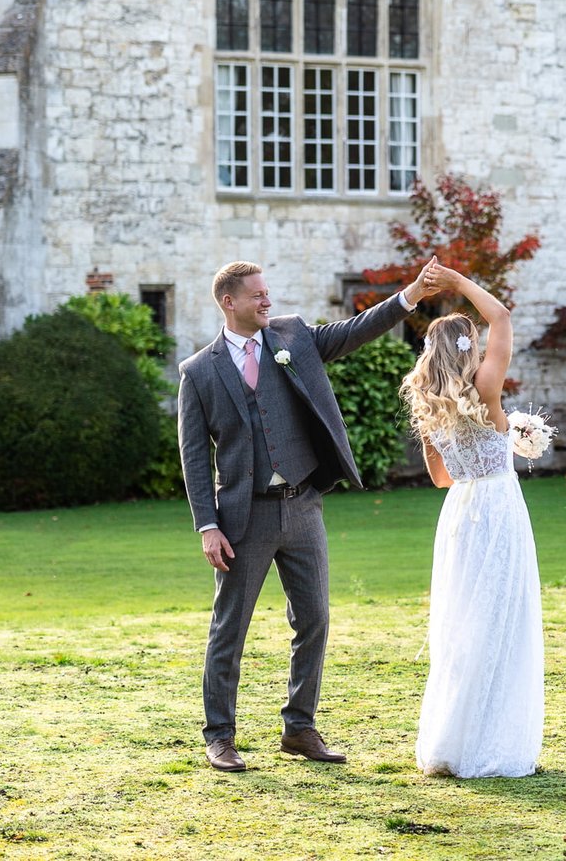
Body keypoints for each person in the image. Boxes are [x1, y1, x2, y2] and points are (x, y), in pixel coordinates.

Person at [178, 257, 448, 773]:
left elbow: (354, 330)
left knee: (315, 620)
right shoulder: (199, 372)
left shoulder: (293, 338)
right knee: (228, 628)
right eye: (257, 295)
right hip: (242, 520)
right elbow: (193, 456)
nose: (268, 301)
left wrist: (409, 295)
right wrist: (207, 525)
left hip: (302, 506)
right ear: (229, 302)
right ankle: (220, 737)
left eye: (267, 292)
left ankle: (299, 728)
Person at [402, 267, 543, 777]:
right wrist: (459, 283)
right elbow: (501, 315)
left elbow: (441, 479)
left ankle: (451, 742)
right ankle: (490, 742)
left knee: (462, 625)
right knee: (500, 622)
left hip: (460, 514)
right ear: (468, 349)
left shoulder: (428, 409)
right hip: (499, 510)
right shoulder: (486, 388)